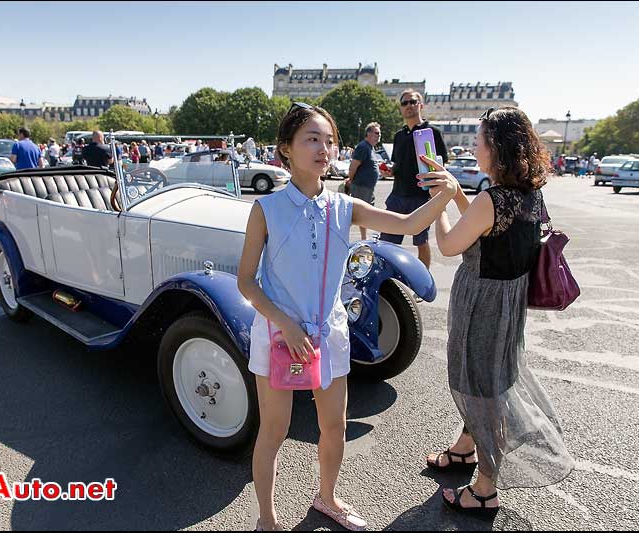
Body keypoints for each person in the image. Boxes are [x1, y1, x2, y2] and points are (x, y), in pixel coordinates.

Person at [237, 102, 456, 532]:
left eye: (329, 140)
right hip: (282, 336)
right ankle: (267, 519)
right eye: (312, 139)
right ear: (286, 149)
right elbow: (246, 281)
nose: (324, 148)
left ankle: (328, 497)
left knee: (334, 425)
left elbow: (410, 223)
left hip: (329, 333)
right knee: (274, 431)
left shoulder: (344, 205)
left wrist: (445, 192)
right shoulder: (266, 209)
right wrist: (286, 322)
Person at [421, 106, 573, 518]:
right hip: (508, 301)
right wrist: (455, 192)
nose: (474, 145)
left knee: (479, 387)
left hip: (482, 302)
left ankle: (485, 487)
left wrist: (438, 204)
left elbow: (453, 244)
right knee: (488, 378)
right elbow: (485, 224)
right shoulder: (527, 193)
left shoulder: (492, 199)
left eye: (480, 139)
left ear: (497, 148)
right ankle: (466, 447)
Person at [379, 89, 448, 270]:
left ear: (421, 106)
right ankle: (388, 279)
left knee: (421, 241)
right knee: (387, 242)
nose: (409, 106)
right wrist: (390, 171)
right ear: (401, 109)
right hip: (397, 196)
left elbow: (442, 165)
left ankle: (422, 283)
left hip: (421, 197)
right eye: (405, 103)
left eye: (413, 102)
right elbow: (398, 165)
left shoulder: (432, 132)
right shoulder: (398, 136)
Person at [345, 122, 382, 240]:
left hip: (367, 188)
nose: (379, 135)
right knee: (358, 213)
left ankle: (364, 238)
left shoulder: (370, 148)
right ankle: (346, 236)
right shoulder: (363, 146)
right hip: (361, 187)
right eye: (376, 133)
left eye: (379, 133)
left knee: (362, 213)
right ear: (368, 133)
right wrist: (350, 180)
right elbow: (353, 165)